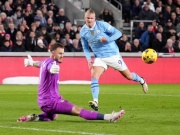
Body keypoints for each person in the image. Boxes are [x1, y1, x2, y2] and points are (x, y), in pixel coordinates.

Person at [17, 43, 125, 123]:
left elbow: (39, 63)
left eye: (63, 53)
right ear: (52, 53)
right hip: (51, 101)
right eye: (60, 53)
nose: (62, 55)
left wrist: (31, 62)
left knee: (53, 116)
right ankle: (109, 117)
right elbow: (50, 67)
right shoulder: (51, 64)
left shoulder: (45, 61)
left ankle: (32, 117)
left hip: (43, 102)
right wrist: (52, 69)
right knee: (78, 110)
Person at [80, 9, 148, 111]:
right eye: (88, 18)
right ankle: (95, 101)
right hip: (99, 57)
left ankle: (141, 80)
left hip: (113, 55)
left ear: (94, 18)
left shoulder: (102, 25)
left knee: (128, 76)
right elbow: (85, 47)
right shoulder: (83, 31)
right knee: (94, 76)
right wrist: (88, 59)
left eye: (91, 18)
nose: (89, 20)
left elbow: (118, 33)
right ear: (85, 18)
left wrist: (107, 39)